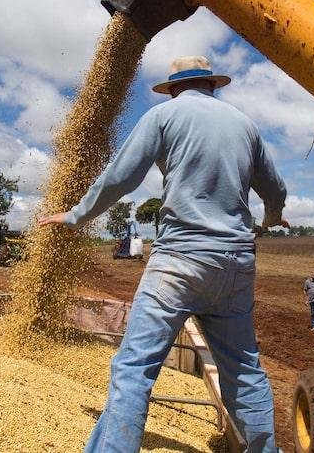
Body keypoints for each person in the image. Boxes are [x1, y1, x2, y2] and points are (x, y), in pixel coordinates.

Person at [38, 55, 287, 453]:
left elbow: (121, 176)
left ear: (173, 87)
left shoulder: (163, 116)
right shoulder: (245, 125)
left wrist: (76, 215)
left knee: (134, 369)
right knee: (244, 373)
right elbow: (275, 190)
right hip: (236, 262)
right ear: (212, 85)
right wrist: (272, 218)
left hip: (180, 260)